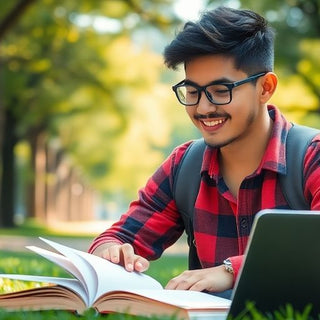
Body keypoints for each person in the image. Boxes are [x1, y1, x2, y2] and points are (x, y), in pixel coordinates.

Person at [88, 6, 320, 297]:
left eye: (221, 90)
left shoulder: (311, 157)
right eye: (193, 91)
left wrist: (231, 270)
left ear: (265, 87)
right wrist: (112, 253)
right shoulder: (183, 167)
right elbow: (118, 237)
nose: (203, 108)